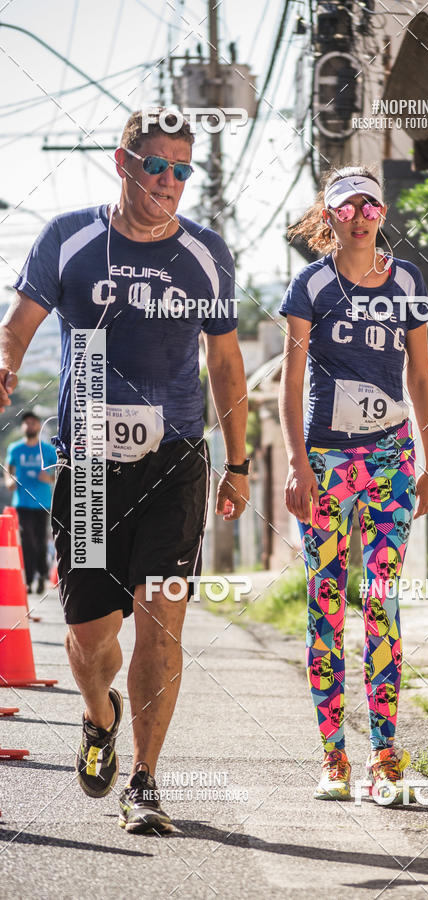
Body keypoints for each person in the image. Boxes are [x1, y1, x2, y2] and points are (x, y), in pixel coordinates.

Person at [0, 109, 250, 834]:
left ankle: (145, 782)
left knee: (161, 622)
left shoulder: (205, 253)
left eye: (183, 170)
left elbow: (227, 361)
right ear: (123, 163)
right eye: (157, 166)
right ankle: (96, 713)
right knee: (88, 634)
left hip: (176, 462)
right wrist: (9, 361)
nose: (170, 182)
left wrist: (236, 463)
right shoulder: (70, 239)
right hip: (89, 471)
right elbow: (21, 323)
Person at [278, 166, 428, 805]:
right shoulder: (311, 283)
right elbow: (290, 384)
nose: (361, 214)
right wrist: (295, 463)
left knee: (381, 603)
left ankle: (387, 758)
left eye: (371, 203)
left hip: (392, 463)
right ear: (331, 216)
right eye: (348, 206)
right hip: (325, 464)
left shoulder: (406, 282)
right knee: (324, 603)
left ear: (381, 212)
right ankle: (333, 759)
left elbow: (422, 378)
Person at [5, 411, 57, 593]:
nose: (30, 426)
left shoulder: (48, 450)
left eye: (34, 423)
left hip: (42, 502)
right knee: (27, 540)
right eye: (27, 423)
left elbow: (59, 471)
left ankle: (42, 575)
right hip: (22, 502)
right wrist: (9, 481)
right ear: (23, 427)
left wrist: (49, 478)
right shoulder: (15, 448)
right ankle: (27, 580)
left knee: (41, 540)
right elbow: (8, 470)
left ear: (38, 426)